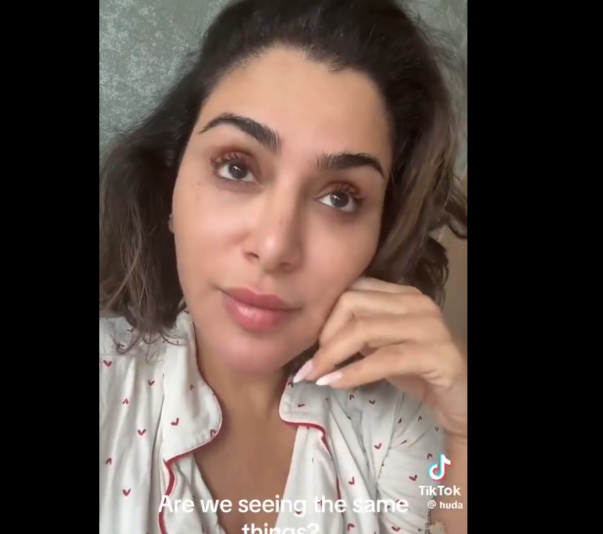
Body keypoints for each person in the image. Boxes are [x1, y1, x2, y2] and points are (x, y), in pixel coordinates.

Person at [98, 0, 468, 533]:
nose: (274, 247)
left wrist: (462, 433)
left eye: (340, 198)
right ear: (170, 189)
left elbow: (445, 505)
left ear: (379, 236)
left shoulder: (393, 424)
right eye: (236, 168)